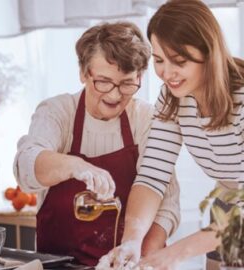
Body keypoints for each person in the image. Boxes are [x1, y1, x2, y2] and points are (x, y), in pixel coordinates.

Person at [13, 22, 180, 266]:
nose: (114, 95)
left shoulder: (146, 119)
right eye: (103, 81)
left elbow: (167, 203)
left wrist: (138, 258)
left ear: (140, 77)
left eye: (126, 84)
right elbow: (26, 167)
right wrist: (75, 166)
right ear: (83, 72)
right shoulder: (58, 112)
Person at [104, 1, 244, 269]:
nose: (166, 74)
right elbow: (152, 176)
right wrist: (132, 240)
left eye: (179, 61)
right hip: (227, 209)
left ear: (209, 52)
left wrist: (173, 253)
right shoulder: (174, 98)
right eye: (158, 60)